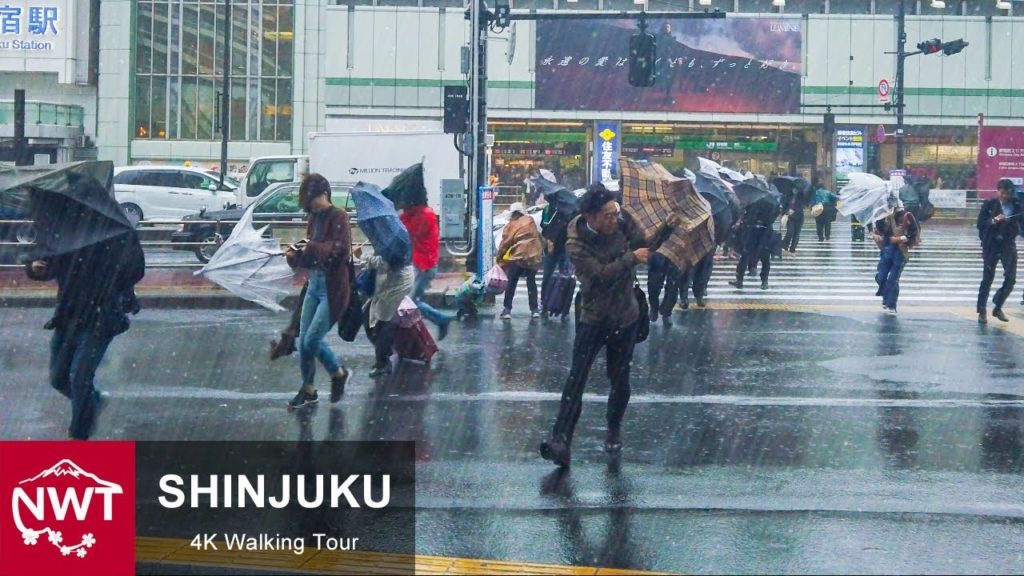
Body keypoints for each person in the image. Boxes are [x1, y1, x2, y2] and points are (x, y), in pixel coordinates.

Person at [541, 183, 674, 468]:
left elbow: (644, 244)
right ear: (590, 217)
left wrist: (666, 229)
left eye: (616, 213)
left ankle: (613, 428)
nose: (615, 219)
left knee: (620, 379)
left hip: (625, 315)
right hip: (594, 316)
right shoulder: (576, 242)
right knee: (576, 378)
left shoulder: (622, 223)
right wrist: (630, 258)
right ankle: (560, 439)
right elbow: (600, 275)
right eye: (608, 216)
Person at [26, 214, 145, 440]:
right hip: (68, 316)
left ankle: (78, 435)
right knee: (58, 378)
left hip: (101, 317)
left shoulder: (113, 232)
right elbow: (42, 263)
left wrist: (112, 271)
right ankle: (92, 402)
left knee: (79, 376)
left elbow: (134, 270)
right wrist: (35, 266)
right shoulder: (62, 234)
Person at [284, 174, 352, 409]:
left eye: (312, 200)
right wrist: (296, 255)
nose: (310, 206)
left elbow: (341, 250)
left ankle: (338, 373)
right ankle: (308, 389)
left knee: (312, 339)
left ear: (324, 194)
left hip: (333, 288)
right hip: (313, 285)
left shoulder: (339, 216)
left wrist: (310, 248)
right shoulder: (314, 218)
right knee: (304, 340)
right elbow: (312, 249)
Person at [356, 245, 415, 378]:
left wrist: (362, 256)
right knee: (369, 318)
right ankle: (385, 351)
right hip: (389, 280)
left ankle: (383, 362)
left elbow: (384, 263)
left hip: (396, 283)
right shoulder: (386, 236)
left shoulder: (391, 240)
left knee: (382, 320)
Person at [400, 203, 454, 340]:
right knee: (410, 301)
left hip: (424, 265)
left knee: (408, 302)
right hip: (421, 264)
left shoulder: (424, 215)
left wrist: (402, 217)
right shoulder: (421, 213)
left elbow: (409, 231)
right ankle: (437, 321)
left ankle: (438, 321)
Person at [976, 179, 1022, 324]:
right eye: (1002, 192)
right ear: (997, 191)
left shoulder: (1016, 205)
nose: (1005, 196)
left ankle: (998, 305)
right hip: (991, 245)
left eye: (1008, 193)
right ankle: (982, 310)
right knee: (987, 278)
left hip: (1008, 245)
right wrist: (994, 221)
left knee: (1011, 278)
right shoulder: (990, 204)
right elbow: (980, 224)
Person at [496, 202, 544, 320]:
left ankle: (507, 310)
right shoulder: (530, 221)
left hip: (518, 256)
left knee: (512, 282)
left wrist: (499, 258)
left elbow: (505, 243)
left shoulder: (512, 225)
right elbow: (538, 237)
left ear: (514, 214)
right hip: (533, 256)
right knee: (531, 282)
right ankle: (534, 310)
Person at [873, 197, 919, 315]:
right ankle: (887, 297)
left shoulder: (905, 216)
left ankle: (891, 304)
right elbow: (879, 232)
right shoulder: (881, 218)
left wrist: (899, 239)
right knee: (881, 277)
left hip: (900, 252)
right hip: (886, 251)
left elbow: (913, 233)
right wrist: (877, 237)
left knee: (893, 279)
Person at [730, 199, 779, 291]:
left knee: (762, 257)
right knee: (747, 256)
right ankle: (741, 280)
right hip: (756, 232)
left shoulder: (767, 202)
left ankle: (763, 281)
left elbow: (773, 216)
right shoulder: (767, 201)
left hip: (762, 232)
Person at [540, 193, 575, 319]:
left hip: (565, 249)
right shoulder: (548, 210)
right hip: (551, 248)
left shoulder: (569, 213)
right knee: (547, 276)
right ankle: (544, 303)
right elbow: (543, 226)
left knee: (566, 278)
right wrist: (549, 239)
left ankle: (563, 306)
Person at [782, 179, 809, 253]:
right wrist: (785, 213)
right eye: (794, 188)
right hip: (789, 217)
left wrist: (794, 210)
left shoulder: (802, 196)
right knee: (790, 232)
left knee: (796, 234)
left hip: (799, 217)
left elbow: (802, 206)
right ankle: (785, 244)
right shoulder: (787, 196)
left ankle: (792, 249)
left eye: (796, 189)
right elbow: (784, 206)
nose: (795, 190)